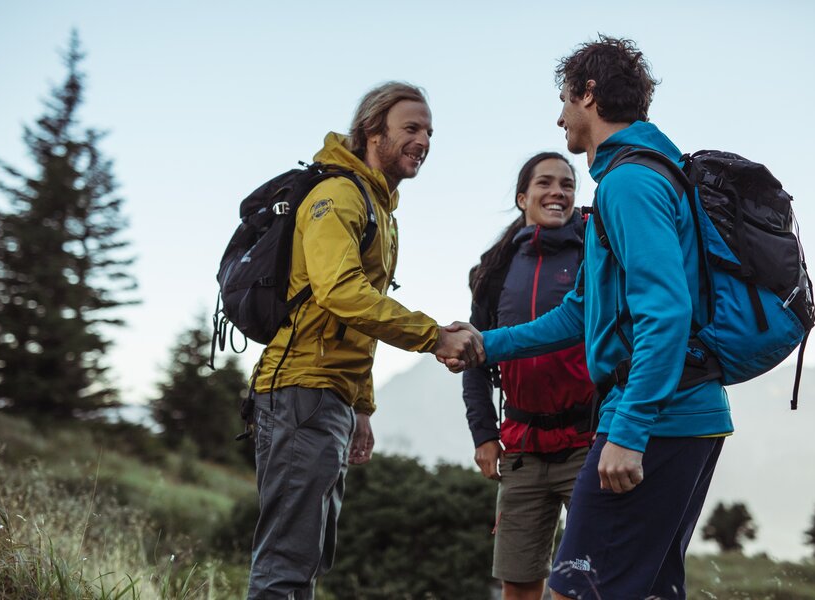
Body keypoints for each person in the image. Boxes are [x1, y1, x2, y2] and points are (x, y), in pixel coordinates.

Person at [444, 37, 733, 599]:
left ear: (589, 94)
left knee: (575, 591)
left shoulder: (629, 183)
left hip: (656, 418)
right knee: (648, 589)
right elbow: (580, 313)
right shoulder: (639, 177)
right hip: (682, 414)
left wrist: (629, 430)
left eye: (565, 100)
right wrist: (484, 346)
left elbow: (666, 312)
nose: (560, 117)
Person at [246, 81, 484, 600]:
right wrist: (432, 337)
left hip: (328, 397)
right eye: (411, 128)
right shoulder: (338, 196)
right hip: (300, 393)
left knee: (307, 556)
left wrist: (362, 408)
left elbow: (354, 323)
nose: (424, 140)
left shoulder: (380, 210)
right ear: (372, 131)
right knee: (286, 561)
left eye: (429, 132)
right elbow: (341, 294)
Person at [463, 152, 596, 600]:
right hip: (520, 450)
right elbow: (474, 359)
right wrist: (484, 435)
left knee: (586, 584)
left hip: (586, 443)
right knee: (518, 586)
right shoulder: (495, 269)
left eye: (567, 184)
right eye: (545, 183)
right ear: (523, 197)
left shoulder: (595, 256)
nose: (557, 192)